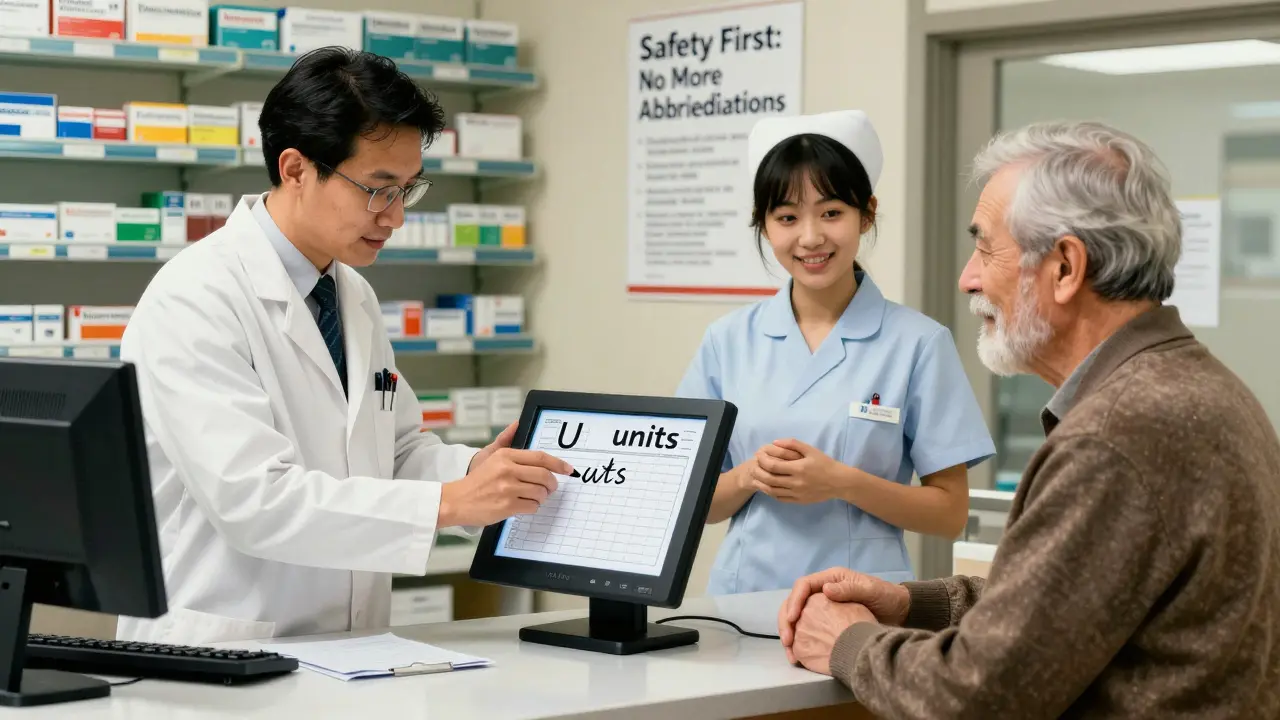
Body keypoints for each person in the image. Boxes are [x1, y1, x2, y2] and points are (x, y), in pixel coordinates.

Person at [778, 121, 1280, 718]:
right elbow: (1077, 602)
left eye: (985, 247)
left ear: (1065, 268)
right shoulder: (1199, 389)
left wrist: (846, 643)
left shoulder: (1117, 435)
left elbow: (975, 697)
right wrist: (913, 603)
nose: (967, 276)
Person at [115, 48, 572, 645]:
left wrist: (476, 472)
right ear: (297, 169)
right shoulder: (194, 298)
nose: (396, 217)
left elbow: (396, 450)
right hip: (224, 651)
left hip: (347, 649)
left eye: (410, 189)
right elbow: (255, 501)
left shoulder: (349, 294)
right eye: (378, 189)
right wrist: (449, 505)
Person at [676, 110, 995, 596]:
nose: (810, 238)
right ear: (764, 225)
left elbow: (949, 514)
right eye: (786, 217)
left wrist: (841, 482)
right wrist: (746, 477)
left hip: (862, 605)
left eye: (831, 213)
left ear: (866, 213)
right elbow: (691, 503)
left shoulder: (918, 343)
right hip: (743, 599)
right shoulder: (727, 340)